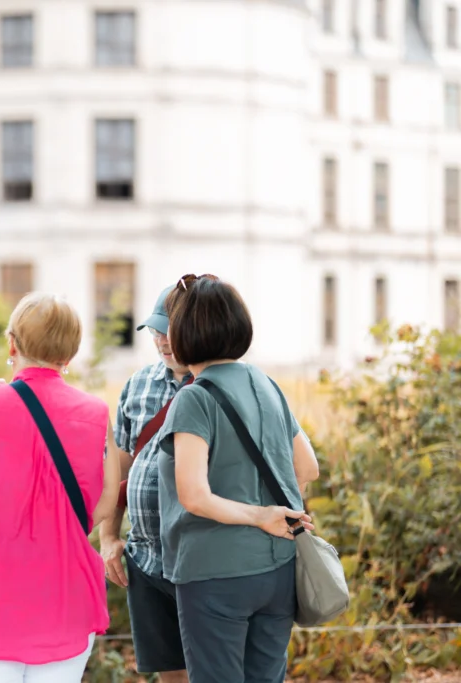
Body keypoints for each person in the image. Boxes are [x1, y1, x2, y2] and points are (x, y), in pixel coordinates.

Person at [0, 292, 122, 683]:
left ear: (12, 343)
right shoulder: (96, 414)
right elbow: (103, 506)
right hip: (63, 597)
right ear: (71, 352)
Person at [155, 274, 321, 683]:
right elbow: (309, 468)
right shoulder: (266, 384)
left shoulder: (194, 398)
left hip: (214, 574)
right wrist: (273, 516)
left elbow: (194, 495)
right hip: (277, 568)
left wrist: (259, 515)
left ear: (183, 334)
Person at [98, 284, 193, 683]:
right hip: (146, 561)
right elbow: (117, 470)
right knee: (169, 673)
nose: (161, 339)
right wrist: (108, 538)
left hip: (201, 564)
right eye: (156, 330)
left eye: (171, 330)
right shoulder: (138, 384)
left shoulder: (219, 386)